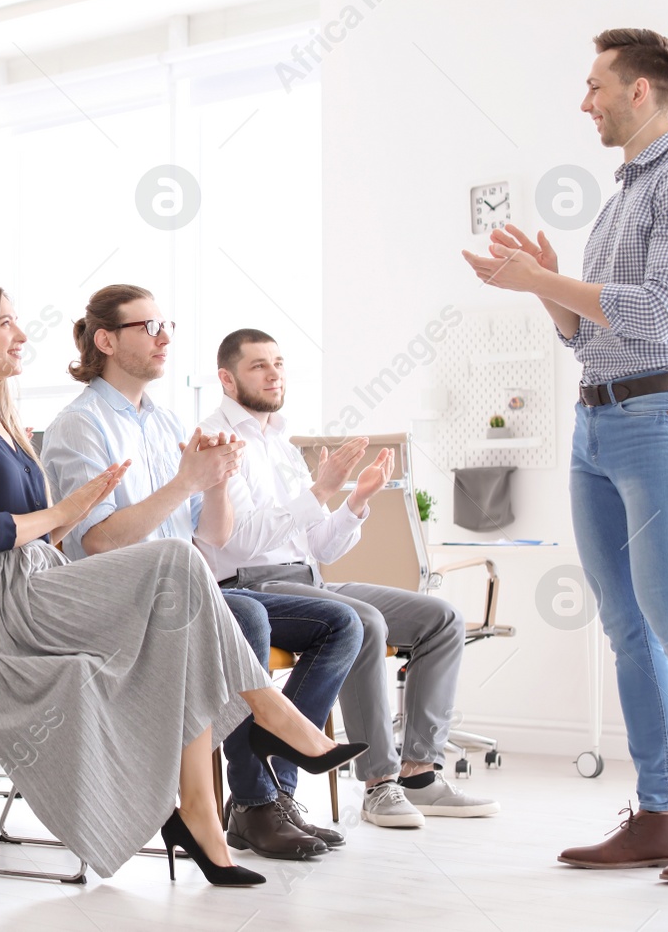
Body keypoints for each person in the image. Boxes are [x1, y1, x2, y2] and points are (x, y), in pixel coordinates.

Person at [0, 280, 364, 883]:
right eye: (4, 324)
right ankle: (274, 720)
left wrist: (210, 480)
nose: (22, 335)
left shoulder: (3, 424)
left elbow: (45, 536)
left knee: (183, 607)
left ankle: (202, 816)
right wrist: (66, 511)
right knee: (178, 564)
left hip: (33, 578)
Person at [464, 28, 668, 885]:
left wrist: (544, 284)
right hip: (596, 425)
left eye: (595, 84)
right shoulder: (623, 194)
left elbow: (664, 314)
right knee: (626, 628)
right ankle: (662, 814)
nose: (584, 100)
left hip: (660, 419)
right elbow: (589, 330)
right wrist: (551, 285)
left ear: (641, 92)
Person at [41, 285, 363, 861]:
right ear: (106, 340)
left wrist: (215, 480)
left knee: (337, 624)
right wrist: (187, 481)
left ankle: (265, 762)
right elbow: (98, 539)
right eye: (149, 327)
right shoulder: (79, 425)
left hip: (177, 595)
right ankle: (257, 797)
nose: (164, 337)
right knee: (246, 615)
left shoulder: (163, 423)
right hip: (118, 601)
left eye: (167, 325)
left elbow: (210, 535)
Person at [197, 328, 499, 830]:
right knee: (365, 622)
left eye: (279, 363)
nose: (274, 374)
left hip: (307, 581)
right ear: (227, 379)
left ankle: (419, 773)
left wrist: (355, 501)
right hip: (250, 585)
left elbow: (320, 548)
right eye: (258, 366)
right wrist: (320, 490)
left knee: (442, 619)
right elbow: (236, 540)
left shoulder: (283, 445)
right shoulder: (220, 440)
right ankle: (380, 785)